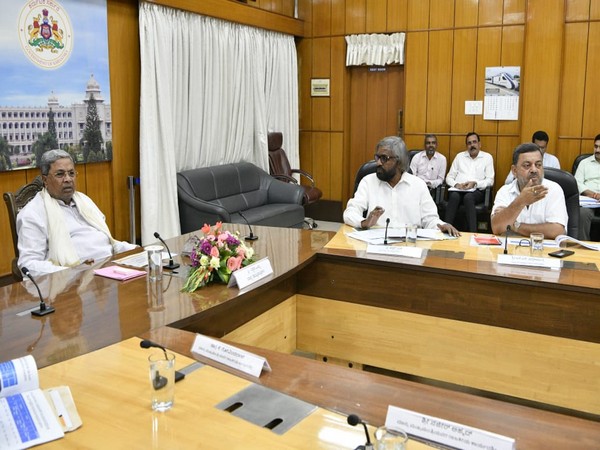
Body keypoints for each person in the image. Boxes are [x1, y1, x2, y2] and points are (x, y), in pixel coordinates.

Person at [17, 149, 137, 276]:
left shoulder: (84, 201)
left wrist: (139, 251)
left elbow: (109, 243)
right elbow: (28, 264)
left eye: (71, 173)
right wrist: (72, 272)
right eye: (60, 174)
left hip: (110, 269)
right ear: (45, 180)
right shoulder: (32, 214)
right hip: (72, 284)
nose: (68, 179)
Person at [343, 136, 459, 236]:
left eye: (384, 158)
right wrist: (364, 222)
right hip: (375, 246)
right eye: (377, 157)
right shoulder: (368, 182)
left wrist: (442, 225)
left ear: (399, 162)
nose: (378, 163)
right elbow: (350, 212)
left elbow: (430, 219)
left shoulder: (418, 185)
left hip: (410, 246)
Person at [491, 143, 567, 239]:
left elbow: (557, 231)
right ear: (514, 171)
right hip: (512, 250)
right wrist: (521, 201)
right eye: (527, 165)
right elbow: (497, 227)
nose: (534, 170)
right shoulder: (505, 191)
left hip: (545, 251)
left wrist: (515, 225)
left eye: (538, 165)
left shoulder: (554, 189)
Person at [444, 132, 495, 232]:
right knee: (453, 196)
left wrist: (475, 183)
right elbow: (449, 177)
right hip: (458, 190)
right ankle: (446, 230)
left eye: (474, 142)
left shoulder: (487, 157)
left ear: (479, 144)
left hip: (476, 191)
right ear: (467, 146)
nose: (472, 145)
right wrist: (456, 184)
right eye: (469, 143)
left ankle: (473, 233)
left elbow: (490, 180)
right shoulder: (459, 157)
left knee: (468, 197)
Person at [574, 134, 600, 241]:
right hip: (589, 200)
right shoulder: (584, 163)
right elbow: (577, 183)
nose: (597, 150)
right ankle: (583, 245)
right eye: (596, 146)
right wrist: (592, 194)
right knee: (582, 213)